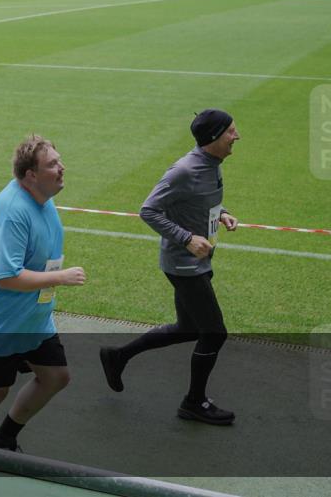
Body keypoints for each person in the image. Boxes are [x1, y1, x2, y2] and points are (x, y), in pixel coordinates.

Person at [99, 109, 240, 426]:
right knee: (214, 334)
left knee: (187, 329)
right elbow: (148, 210)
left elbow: (197, 200)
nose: (237, 136)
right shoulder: (184, 170)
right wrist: (187, 238)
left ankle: (117, 356)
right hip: (184, 266)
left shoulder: (211, 165)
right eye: (231, 131)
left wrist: (221, 213)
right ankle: (194, 402)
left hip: (197, 262)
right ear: (214, 137)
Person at [0, 135, 87, 452]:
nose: (61, 167)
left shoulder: (43, 197)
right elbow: (6, 276)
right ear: (31, 175)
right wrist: (60, 277)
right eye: (52, 164)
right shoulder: (13, 211)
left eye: (59, 160)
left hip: (31, 316)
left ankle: (3, 438)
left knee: (56, 376)